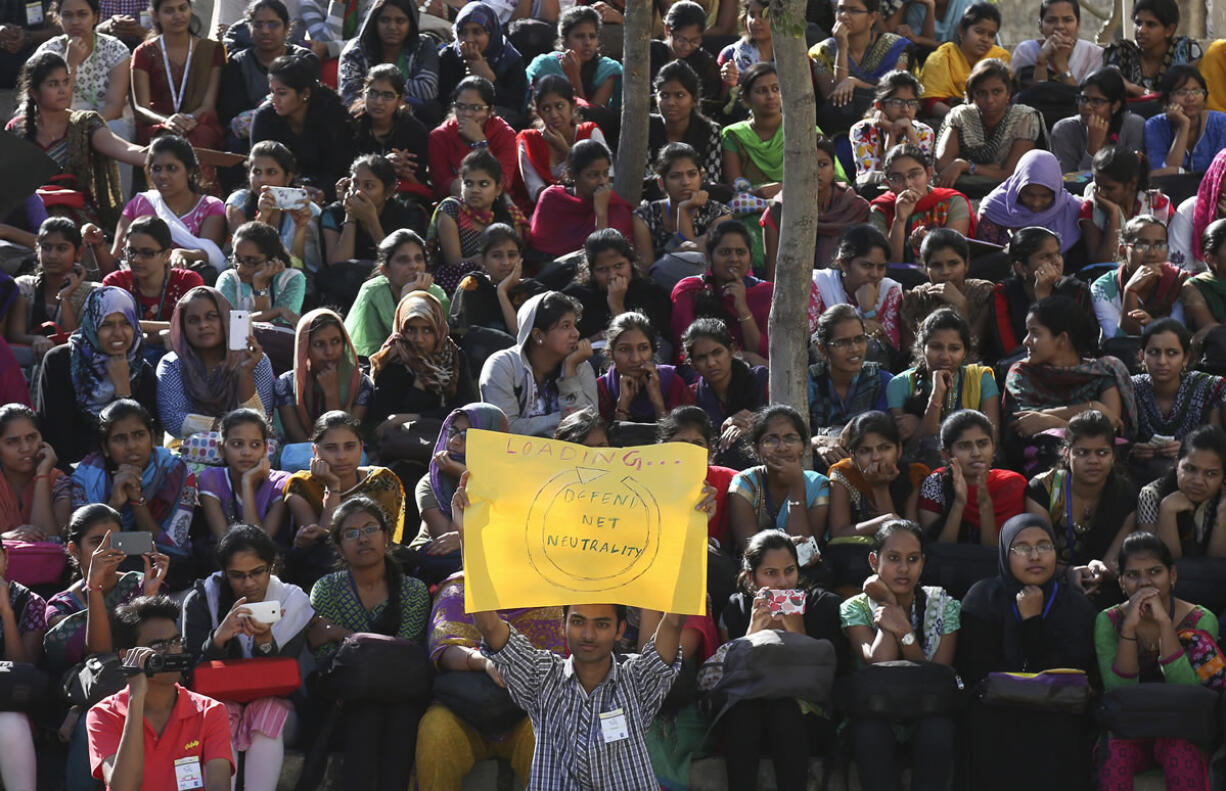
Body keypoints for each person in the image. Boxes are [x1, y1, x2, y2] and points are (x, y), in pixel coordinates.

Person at [453, 476, 685, 791]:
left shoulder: (638, 679)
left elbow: (672, 622)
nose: (588, 634)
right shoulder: (541, 677)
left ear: (620, 630)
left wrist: (691, 528)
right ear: (563, 626)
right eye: (578, 621)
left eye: (601, 624)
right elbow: (488, 623)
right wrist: (467, 534)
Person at [957, 513, 1099, 789]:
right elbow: (977, 669)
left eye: (1044, 546)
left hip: (1057, 707)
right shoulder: (983, 597)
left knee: (1064, 728)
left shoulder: (1076, 606)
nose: (1035, 556)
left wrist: (1032, 623)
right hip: (997, 708)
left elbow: (1071, 673)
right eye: (1022, 548)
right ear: (1004, 553)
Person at [306, 497, 429, 789]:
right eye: (351, 533)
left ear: (387, 537)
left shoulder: (414, 591)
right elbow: (327, 656)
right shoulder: (327, 589)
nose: (362, 538)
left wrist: (342, 634)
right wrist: (363, 647)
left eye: (370, 528)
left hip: (401, 696)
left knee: (399, 717)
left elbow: (405, 655)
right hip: (345, 699)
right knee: (366, 715)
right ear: (338, 547)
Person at [181, 525, 312, 791]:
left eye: (256, 572)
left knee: (267, 714)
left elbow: (283, 681)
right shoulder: (203, 600)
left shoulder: (292, 602)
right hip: (218, 707)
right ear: (224, 573)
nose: (249, 583)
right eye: (237, 576)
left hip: (276, 712)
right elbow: (191, 679)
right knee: (219, 715)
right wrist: (218, 639)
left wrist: (265, 643)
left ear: (271, 566)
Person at [718, 530, 848, 789]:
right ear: (751, 578)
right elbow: (728, 677)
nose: (782, 582)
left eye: (789, 571)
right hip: (752, 713)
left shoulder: (823, 605)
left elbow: (830, 679)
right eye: (770, 573)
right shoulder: (738, 608)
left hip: (805, 716)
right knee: (744, 711)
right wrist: (752, 634)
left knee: (784, 710)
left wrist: (798, 633)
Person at [841, 520, 959, 791]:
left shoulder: (946, 606)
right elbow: (881, 663)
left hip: (928, 706)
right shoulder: (854, 608)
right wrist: (889, 606)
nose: (904, 569)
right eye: (893, 558)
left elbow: (935, 677)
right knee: (870, 733)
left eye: (913, 559)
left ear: (923, 562)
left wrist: (905, 630)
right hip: (875, 707)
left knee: (938, 731)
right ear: (874, 561)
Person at [415, 571, 560, 789]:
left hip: (528, 710)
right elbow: (443, 649)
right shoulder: (460, 587)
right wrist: (484, 662)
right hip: (461, 707)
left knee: (547, 740)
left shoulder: (552, 593)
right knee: (434, 735)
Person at [1096, 531, 1217, 790]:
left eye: (1154, 572)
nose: (1144, 583)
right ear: (1121, 583)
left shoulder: (1201, 619)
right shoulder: (1108, 621)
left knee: (1182, 754)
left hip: (1182, 727)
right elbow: (1119, 691)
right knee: (1114, 755)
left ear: (1172, 576)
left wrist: (1164, 623)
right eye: (1133, 575)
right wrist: (1129, 630)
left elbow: (1189, 690)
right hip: (1129, 728)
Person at [86, 596, 234, 790]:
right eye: (158, 646)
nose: (172, 651)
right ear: (126, 656)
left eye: (175, 641)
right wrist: (136, 698)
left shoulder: (210, 712)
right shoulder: (103, 715)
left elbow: (219, 787)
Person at [12, 51, 141, 229]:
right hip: (25, 215)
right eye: (53, 84)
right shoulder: (16, 129)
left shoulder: (84, 124)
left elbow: (125, 150)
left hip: (76, 215)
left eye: (66, 81)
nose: (63, 89)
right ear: (34, 92)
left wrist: (161, 154)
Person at [1004, 296, 1134, 472]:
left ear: (1062, 339)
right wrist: (1091, 409)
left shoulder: (1103, 371)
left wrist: (1052, 421)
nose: (1025, 341)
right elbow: (1025, 425)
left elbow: (1109, 430)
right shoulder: (1022, 373)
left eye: (1035, 333)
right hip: (1041, 465)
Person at [36, 286, 159, 468]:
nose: (118, 333)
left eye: (126, 323)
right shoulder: (60, 362)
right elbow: (57, 439)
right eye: (107, 325)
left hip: (127, 470)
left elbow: (143, 444)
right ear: (91, 325)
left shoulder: (142, 371)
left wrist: (123, 393)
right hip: (70, 473)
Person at [43, 504, 167, 674]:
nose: (107, 550)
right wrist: (94, 587)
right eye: (97, 542)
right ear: (74, 550)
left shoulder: (140, 584)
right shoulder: (61, 607)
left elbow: (158, 646)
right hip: (97, 686)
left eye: (113, 542)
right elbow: (100, 656)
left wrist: (149, 596)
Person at [68, 399, 197, 563]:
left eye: (139, 435)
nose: (131, 446)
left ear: (152, 438)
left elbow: (173, 544)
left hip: (164, 566)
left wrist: (137, 502)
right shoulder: (85, 475)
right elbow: (84, 546)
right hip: (101, 566)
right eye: (120, 439)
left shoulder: (176, 471)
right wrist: (115, 503)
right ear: (105, 447)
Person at [1024, 409, 1137, 591]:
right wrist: (1069, 572)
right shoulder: (1042, 490)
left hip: (1103, 584)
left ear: (1113, 456)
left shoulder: (1126, 496)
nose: (1093, 460)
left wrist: (1100, 572)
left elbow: (1112, 562)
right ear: (1067, 454)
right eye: (1083, 453)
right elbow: (1038, 556)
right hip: (1049, 579)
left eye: (1102, 453)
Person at [670, 220, 800, 367]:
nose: (733, 259)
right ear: (709, 257)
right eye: (725, 252)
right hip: (702, 373)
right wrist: (734, 358)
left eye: (740, 252)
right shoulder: (688, 291)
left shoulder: (767, 293)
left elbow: (764, 354)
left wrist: (742, 308)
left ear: (750, 258)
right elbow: (685, 352)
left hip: (752, 373)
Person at [95, 135, 226, 276]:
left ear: (189, 171)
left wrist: (181, 253)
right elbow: (115, 265)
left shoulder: (211, 207)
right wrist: (99, 244)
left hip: (190, 288)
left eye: (172, 168)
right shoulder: (140, 203)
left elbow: (212, 254)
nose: (162, 175)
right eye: (156, 168)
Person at [156, 287, 274, 441]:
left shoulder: (256, 361)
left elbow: (260, 423)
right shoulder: (173, 364)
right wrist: (232, 429)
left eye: (211, 317)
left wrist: (245, 372)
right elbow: (173, 420)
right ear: (182, 327)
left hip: (247, 451)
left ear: (225, 319)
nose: (203, 325)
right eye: (193, 320)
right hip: (191, 451)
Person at [479, 291, 598, 437]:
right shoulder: (502, 366)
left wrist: (569, 373)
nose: (576, 333)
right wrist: (560, 419)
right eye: (565, 326)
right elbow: (505, 428)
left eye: (574, 325)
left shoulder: (579, 366)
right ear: (538, 335)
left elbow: (588, 429)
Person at [888, 309, 999, 461]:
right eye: (936, 347)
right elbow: (914, 447)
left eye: (954, 348)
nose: (945, 356)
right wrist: (937, 394)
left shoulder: (981, 379)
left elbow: (990, 437)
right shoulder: (899, 384)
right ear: (922, 348)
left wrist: (921, 424)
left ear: (965, 352)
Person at [31, 0, 132, 162]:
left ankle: (117, 188)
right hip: (62, 117)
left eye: (82, 14)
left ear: (96, 17)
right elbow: (52, 101)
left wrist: (84, 128)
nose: (75, 21)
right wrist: (70, 63)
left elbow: (115, 105)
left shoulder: (115, 49)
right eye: (67, 15)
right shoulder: (47, 52)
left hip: (108, 118)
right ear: (58, 18)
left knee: (114, 129)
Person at [250, 52, 354, 203]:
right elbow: (259, 164)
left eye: (282, 93)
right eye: (272, 92)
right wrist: (294, 190)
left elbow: (338, 166)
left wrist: (321, 191)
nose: (274, 99)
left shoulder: (333, 115)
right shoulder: (264, 118)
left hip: (328, 193)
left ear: (305, 93)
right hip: (275, 193)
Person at [1130, 319, 1226, 483]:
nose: (1162, 361)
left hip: (1196, 478)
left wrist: (1188, 448)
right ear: (1142, 356)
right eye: (1154, 352)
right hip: (1140, 475)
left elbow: (1216, 443)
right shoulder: (1130, 388)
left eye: (1172, 353)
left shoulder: (1207, 387)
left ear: (1186, 358)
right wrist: (1132, 450)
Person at [726, 405, 830, 552]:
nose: (782, 448)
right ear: (756, 448)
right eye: (771, 440)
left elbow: (806, 552)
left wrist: (796, 485)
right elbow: (750, 550)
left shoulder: (818, 485)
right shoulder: (744, 483)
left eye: (790, 439)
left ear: (803, 447)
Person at [933, 58, 1041, 197]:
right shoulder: (961, 115)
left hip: (1009, 194)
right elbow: (943, 165)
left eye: (997, 92)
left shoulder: (1023, 117)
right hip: (965, 191)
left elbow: (1012, 174)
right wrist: (991, 170)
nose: (990, 100)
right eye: (981, 93)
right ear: (972, 96)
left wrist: (965, 165)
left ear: (1008, 94)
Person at [761, 136, 867, 277]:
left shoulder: (855, 207)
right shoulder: (779, 210)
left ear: (834, 169)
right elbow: (772, 276)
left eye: (823, 164)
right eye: (807, 164)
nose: (815, 171)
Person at [986, 227, 1094, 362]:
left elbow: (1073, 346)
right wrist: (1042, 299)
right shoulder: (1002, 293)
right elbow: (1008, 350)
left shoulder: (1077, 290)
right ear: (1021, 267)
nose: (1057, 261)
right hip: (1022, 367)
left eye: (1058, 254)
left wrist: (1043, 298)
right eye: (1045, 257)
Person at [369, 290, 479, 423]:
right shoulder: (393, 359)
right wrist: (419, 387)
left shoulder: (453, 356)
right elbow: (388, 419)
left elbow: (466, 409)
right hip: (404, 441)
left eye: (427, 330)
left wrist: (418, 417)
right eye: (410, 329)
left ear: (438, 328)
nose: (419, 339)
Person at [427, 149, 530, 290]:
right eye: (468, 183)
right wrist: (486, 262)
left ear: (498, 188)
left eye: (483, 184)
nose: (475, 190)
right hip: (458, 283)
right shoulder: (451, 210)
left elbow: (514, 261)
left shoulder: (510, 216)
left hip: (503, 280)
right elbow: (454, 262)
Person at [130, 0, 223, 153]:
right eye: (169, 11)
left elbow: (208, 105)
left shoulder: (211, 50)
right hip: (159, 123)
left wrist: (190, 120)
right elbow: (141, 108)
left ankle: (202, 178)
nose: (178, 15)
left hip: (198, 121)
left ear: (190, 10)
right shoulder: (143, 52)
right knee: (165, 140)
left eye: (182, 8)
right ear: (155, 15)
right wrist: (167, 121)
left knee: (200, 135)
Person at [97, 215, 204, 349]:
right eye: (131, 251)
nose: (136, 260)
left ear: (166, 255)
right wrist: (159, 335)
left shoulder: (187, 282)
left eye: (147, 253)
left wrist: (135, 327)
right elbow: (112, 328)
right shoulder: (116, 283)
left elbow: (195, 326)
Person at [919, 409, 1022, 545]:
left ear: (994, 447)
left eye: (983, 444)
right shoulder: (936, 483)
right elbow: (939, 554)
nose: (976, 453)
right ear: (946, 454)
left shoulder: (1012, 484)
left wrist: (985, 504)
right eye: (964, 446)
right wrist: (959, 503)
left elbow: (997, 555)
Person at [807, 304, 893, 468]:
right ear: (822, 348)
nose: (854, 349)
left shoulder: (882, 381)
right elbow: (790, 433)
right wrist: (816, 441)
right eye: (842, 343)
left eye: (860, 339)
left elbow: (887, 429)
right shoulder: (807, 383)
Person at [218, 0, 309, 151]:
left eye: (273, 24)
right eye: (258, 25)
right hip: (249, 136)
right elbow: (232, 114)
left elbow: (306, 104)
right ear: (249, 28)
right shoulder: (237, 63)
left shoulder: (303, 60)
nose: (265, 31)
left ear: (287, 28)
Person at [224, 141, 324, 277]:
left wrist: (300, 227)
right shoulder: (238, 202)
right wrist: (262, 220)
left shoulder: (307, 210)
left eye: (271, 172)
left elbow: (298, 266)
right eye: (256, 172)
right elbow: (245, 259)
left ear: (288, 177)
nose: (262, 179)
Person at [809, 0, 910, 134]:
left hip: (887, 124)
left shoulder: (896, 47)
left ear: (872, 17)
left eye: (854, 10)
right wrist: (841, 48)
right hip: (840, 129)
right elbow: (839, 103)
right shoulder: (822, 52)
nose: (844, 16)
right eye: (841, 9)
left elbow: (897, 95)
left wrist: (856, 83)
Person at [277, 309, 373, 444]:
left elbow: (344, 437)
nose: (329, 351)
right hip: (304, 455)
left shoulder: (360, 383)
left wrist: (332, 394)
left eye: (336, 342)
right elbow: (297, 438)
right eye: (319, 344)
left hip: (344, 455)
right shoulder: (287, 383)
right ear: (305, 348)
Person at [633, 143, 733, 273]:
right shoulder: (644, 216)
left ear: (701, 177)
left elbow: (693, 262)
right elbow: (646, 270)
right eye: (675, 176)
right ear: (661, 183)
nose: (686, 182)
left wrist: (684, 212)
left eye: (692, 174)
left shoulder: (719, 214)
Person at [682, 318, 767, 467]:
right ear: (692, 364)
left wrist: (756, 423)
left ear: (732, 350)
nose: (711, 363)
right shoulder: (692, 396)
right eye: (702, 358)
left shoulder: (761, 380)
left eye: (717, 352)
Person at [867, 143, 972, 264]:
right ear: (887, 184)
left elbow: (953, 261)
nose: (908, 184)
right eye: (897, 178)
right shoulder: (880, 209)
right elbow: (888, 265)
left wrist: (930, 242)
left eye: (915, 174)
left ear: (929, 174)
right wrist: (899, 220)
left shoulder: (952, 202)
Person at [7, 217, 92, 364]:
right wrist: (36, 339)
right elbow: (14, 334)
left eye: (62, 248)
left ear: (78, 252)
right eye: (46, 247)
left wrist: (65, 298)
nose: (52, 255)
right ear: (37, 249)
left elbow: (73, 340)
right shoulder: (25, 287)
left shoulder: (89, 294)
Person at [829, 411, 927, 537]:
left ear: (899, 450)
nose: (876, 457)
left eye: (885, 448)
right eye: (865, 451)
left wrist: (880, 489)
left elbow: (907, 539)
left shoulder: (914, 475)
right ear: (853, 456)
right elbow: (837, 533)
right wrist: (884, 521)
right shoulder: (844, 474)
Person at [529, 138, 633, 258]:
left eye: (605, 174)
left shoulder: (616, 209)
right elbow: (540, 256)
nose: (602, 181)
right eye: (593, 175)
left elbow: (607, 259)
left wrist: (601, 214)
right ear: (573, 174)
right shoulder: (552, 200)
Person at [566, 228, 671, 344]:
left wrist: (616, 305)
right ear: (591, 272)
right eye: (602, 270)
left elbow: (652, 344)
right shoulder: (577, 298)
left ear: (630, 263)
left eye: (619, 266)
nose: (612, 275)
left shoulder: (651, 293)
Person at [517, 74, 609, 205]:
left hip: (591, 207)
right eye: (546, 108)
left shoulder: (590, 132)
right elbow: (537, 193)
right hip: (548, 211)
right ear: (538, 112)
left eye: (559, 106)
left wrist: (566, 151)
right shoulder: (529, 141)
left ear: (572, 106)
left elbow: (606, 181)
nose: (554, 115)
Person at [197, 409, 289, 540]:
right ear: (221, 448)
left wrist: (247, 483)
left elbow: (258, 545)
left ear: (265, 449)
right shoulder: (211, 479)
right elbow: (224, 543)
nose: (246, 452)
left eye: (255, 445)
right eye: (237, 444)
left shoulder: (280, 483)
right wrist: (248, 482)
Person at [1136, 425, 1226, 559]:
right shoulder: (1151, 495)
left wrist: (1222, 517)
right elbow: (1158, 564)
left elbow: (1218, 568)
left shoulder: (1222, 499)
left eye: (1211, 473)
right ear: (1177, 463)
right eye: (1190, 469)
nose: (1198, 481)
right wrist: (1167, 512)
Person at [899, 229, 993, 356]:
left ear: (966, 264)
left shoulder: (983, 294)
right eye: (936, 265)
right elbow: (910, 354)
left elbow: (973, 350)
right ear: (925, 268)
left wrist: (961, 307)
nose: (945, 272)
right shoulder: (916, 299)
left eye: (953, 263)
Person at [322, 154, 426, 267]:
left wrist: (371, 220)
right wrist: (350, 214)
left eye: (369, 186)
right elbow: (338, 266)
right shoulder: (333, 213)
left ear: (388, 192)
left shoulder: (408, 213)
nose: (357, 191)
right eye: (355, 183)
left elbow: (401, 264)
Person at [337, 0, 438, 115]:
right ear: (375, 21)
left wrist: (376, 90)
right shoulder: (355, 51)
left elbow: (428, 90)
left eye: (400, 21)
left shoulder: (422, 45)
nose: (392, 27)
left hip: (410, 119)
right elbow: (350, 97)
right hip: (364, 119)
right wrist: (391, 97)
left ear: (411, 23)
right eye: (384, 20)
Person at [1091, 216, 1184, 341]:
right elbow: (1119, 342)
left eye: (1159, 245)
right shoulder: (1102, 288)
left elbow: (1179, 338)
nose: (1151, 253)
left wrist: (1153, 325)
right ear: (1123, 250)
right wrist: (1130, 290)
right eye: (1141, 245)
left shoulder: (1179, 282)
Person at [811, 224, 901, 352]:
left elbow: (891, 354)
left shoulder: (890, 291)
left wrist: (869, 311)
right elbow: (808, 342)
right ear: (844, 264)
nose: (875, 274)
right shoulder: (819, 284)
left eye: (881, 267)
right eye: (867, 265)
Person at [427, 76, 518, 202]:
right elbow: (442, 186)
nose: (467, 114)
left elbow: (503, 184)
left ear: (491, 110)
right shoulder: (440, 136)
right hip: (455, 202)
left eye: (476, 108)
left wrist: (481, 143)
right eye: (461, 106)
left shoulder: (505, 134)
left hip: (496, 202)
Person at [977, 152, 1085, 257]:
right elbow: (985, 257)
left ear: (1056, 192)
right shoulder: (995, 209)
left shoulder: (1071, 209)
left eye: (1045, 196)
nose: (1036, 203)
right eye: (1029, 195)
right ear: (1018, 189)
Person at [350, 64, 431, 202]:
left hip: (400, 197)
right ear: (364, 92)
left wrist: (405, 172)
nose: (378, 102)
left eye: (387, 96)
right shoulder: (350, 125)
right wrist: (383, 166)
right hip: (356, 194)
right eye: (372, 93)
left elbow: (420, 184)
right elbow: (340, 170)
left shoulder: (415, 131)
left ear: (400, 99)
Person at [436, 1, 527, 123]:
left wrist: (488, 78)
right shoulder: (448, 56)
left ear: (491, 33)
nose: (469, 39)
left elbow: (513, 107)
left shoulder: (510, 60)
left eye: (477, 32)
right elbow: (444, 101)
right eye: (463, 32)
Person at [1081, 148, 1172, 268]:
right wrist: (1113, 215)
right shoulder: (1091, 208)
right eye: (1097, 186)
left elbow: (1167, 253)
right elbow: (1103, 264)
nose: (1101, 194)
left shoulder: (1156, 205)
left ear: (1132, 184)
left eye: (1109, 188)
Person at [918, 2, 1010, 119]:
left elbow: (1005, 99)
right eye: (979, 32)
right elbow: (932, 103)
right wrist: (965, 120)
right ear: (961, 31)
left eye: (991, 35)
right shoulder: (941, 58)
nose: (985, 39)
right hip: (949, 119)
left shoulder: (999, 58)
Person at [595, 311, 690, 424]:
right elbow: (606, 441)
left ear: (653, 349)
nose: (635, 359)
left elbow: (677, 438)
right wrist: (622, 406)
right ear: (610, 354)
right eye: (624, 349)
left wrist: (657, 401)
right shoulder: (601, 389)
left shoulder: (672, 383)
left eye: (643, 348)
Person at [525, 6, 623, 115]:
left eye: (592, 36)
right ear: (564, 41)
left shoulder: (607, 70)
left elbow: (591, 118)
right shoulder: (545, 65)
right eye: (579, 36)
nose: (587, 42)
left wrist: (574, 78)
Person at [848, 70, 936, 190]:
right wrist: (892, 135)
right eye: (897, 102)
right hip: (877, 192)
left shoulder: (924, 131)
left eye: (911, 103)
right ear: (880, 106)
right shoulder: (863, 130)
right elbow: (869, 180)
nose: (905, 109)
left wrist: (913, 140)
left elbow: (924, 178)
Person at [1051, 67, 1147, 174]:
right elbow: (1068, 180)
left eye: (1097, 101)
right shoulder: (1064, 129)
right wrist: (1093, 149)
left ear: (1116, 105)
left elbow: (1132, 175)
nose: (1087, 106)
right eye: (1084, 99)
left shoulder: (1134, 125)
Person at [647, 57, 723, 188]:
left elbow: (711, 180)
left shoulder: (711, 131)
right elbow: (644, 179)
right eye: (664, 95)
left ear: (694, 100)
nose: (671, 102)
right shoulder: (645, 128)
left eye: (679, 95)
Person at [1103, 0, 1202, 98]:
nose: (1141, 30)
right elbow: (1112, 80)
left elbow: (1188, 95)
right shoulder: (1123, 52)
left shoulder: (1186, 51)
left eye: (1151, 24)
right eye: (1138, 23)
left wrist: (1133, 88)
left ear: (1169, 30)